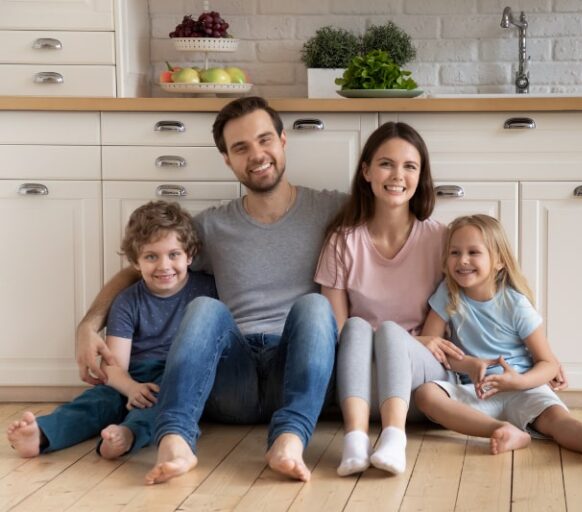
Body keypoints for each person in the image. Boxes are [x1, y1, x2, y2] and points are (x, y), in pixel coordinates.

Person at [74, 96, 345, 484]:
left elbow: (392, 223)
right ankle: (176, 441)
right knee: (204, 308)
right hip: (231, 376)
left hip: (296, 370)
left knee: (316, 307)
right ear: (227, 160)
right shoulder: (213, 226)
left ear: (284, 140)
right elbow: (143, 268)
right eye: (241, 148)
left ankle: (289, 439)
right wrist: (88, 326)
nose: (256, 155)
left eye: (264, 140)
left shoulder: (331, 209)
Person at [7, 201, 216, 460]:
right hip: (131, 375)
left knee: (162, 400)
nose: (164, 266)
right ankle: (42, 434)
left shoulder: (207, 289)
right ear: (136, 262)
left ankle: (128, 434)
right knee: (96, 402)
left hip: (178, 373)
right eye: (151, 256)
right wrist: (129, 388)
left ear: (190, 256)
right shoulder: (127, 301)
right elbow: (114, 364)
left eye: (174, 254)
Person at [315, 122, 467, 476]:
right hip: (360, 385)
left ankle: (394, 437)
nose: (397, 175)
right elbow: (336, 332)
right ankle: (355, 440)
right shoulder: (342, 241)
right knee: (355, 326)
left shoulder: (441, 239)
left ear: (421, 176)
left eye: (409, 166)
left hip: (421, 381)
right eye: (386, 163)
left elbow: (451, 319)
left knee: (389, 333)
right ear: (366, 171)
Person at [413, 214, 582, 463]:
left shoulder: (515, 304)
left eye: (473, 252)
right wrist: (468, 364)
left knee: (556, 420)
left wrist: (519, 382)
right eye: (454, 252)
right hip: (477, 391)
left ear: (499, 261)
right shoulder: (448, 294)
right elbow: (430, 345)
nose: (462, 260)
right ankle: (501, 431)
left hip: (524, 387)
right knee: (425, 395)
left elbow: (548, 363)